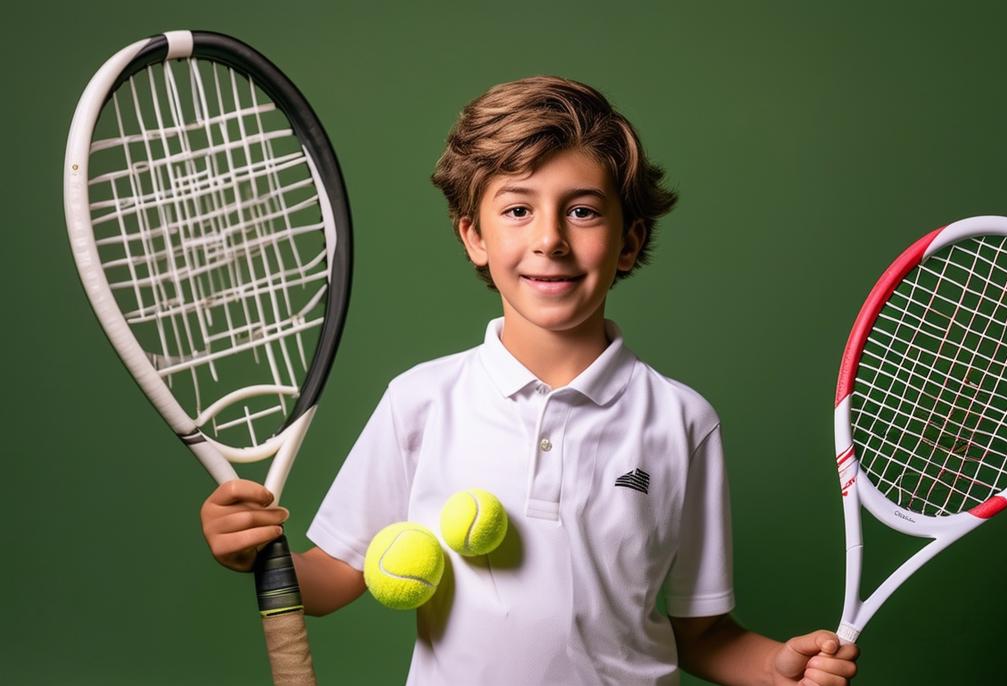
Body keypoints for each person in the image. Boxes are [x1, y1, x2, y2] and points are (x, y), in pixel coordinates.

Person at [200, 76, 859, 686]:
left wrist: (778, 670)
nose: (550, 239)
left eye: (582, 212)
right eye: (517, 210)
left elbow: (704, 633)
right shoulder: (421, 401)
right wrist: (254, 551)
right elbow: (333, 577)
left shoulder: (682, 421)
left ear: (629, 242)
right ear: (473, 236)